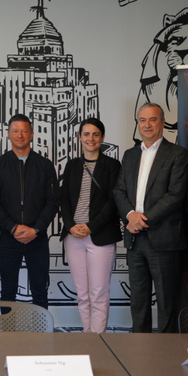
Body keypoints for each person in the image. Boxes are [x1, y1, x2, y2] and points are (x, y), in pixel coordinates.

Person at [113, 102, 188, 333]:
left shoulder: (177, 154)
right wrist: (130, 216)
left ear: (162, 123)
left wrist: (142, 219)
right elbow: (119, 190)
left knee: (167, 302)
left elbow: (175, 195)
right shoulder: (130, 154)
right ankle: (140, 350)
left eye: (152, 119)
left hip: (163, 239)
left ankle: (166, 354)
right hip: (135, 240)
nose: (147, 125)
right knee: (138, 300)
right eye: (142, 120)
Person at [0, 114, 58, 309]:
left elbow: (52, 202)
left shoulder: (45, 166)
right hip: (9, 237)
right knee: (7, 291)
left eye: (24, 131)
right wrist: (13, 227)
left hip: (38, 237)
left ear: (32, 134)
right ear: (8, 134)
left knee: (40, 291)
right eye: (15, 131)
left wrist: (36, 229)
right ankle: (8, 339)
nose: (20, 135)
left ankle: (41, 337)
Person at [60, 118, 121, 333]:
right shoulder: (72, 165)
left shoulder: (112, 166)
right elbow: (64, 198)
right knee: (82, 294)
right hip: (73, 237)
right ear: (79, 137)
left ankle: (98, 343)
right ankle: (87, 338)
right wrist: (70, 226)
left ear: (102, 138)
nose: (90, 138)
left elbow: (113, 202)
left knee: (98, 294)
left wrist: (90, 226)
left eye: (95, 134)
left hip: (100, 236)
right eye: (86, 134)